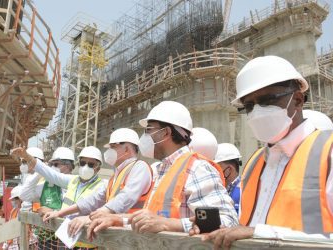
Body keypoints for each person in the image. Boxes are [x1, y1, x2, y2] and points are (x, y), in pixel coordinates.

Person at [197, 56, 333, 249]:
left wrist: (262, 234)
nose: (257, 112)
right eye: (250, 106)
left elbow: (254, 231)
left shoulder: (328, 152)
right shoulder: (255, 163)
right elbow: (247, 224)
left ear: (298, 99)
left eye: (267, 100)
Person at [86, 101, 237, 240]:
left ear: (166, 132)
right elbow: (153, 219)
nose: (144, 136)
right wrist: (120, 220)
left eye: (148, 130)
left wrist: (168, 224)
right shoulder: (162, 170)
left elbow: (226, 221)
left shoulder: (197, 168)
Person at [43, 128, 153, 239]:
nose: (109, 151)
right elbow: (92, 200)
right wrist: (60, 213)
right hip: (118, 236)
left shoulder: (139, 167)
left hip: (134, 235)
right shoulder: (115, 176)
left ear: (126, 149)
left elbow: (125, 198)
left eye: (113, 147)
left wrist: (90, 218)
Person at [14, 146, 106, 249]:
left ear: (98, 167)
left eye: (91, 164)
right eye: (83, 163)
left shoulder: (102, 186)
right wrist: (27, 156)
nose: (86, 167)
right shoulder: (73, 180)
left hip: (87, 244)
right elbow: (50, 174)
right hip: (65, 240)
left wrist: (57, 212)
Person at [17, 146, 75, 249]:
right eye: (51, 165)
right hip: (45, 237)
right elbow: (24, 195)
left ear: (68, 166)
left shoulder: (75, 183)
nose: (53, 167)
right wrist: (41, 171)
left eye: (56, 164)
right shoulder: (46, 184)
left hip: (65, 238)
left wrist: (54, 211)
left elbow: (77, 212)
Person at [214, 143, 242, 214]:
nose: (213, 172)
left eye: (216, 169)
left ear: (229, 169)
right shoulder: (223, 189)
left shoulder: (242, 191)